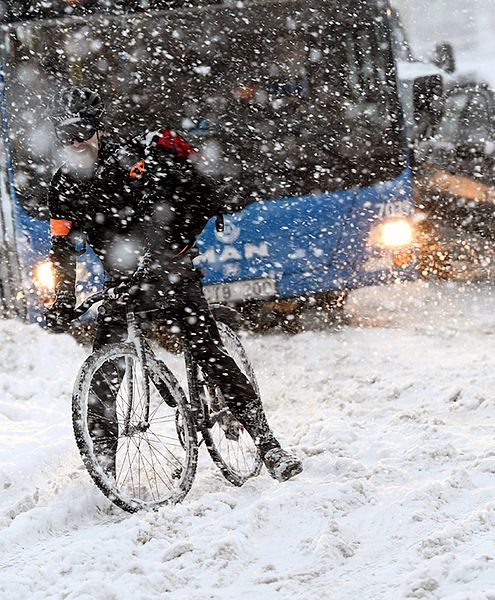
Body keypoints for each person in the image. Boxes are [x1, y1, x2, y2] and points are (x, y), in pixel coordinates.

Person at [44, 85, 303, 482]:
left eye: (82, 130)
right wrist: (63, 299)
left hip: (171, 268)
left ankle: (269, 446)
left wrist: (157, 259)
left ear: (98, 127)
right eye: (66, 134)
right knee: (104, 378)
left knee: (207, 351)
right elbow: (61, 248)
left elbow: (161, 216)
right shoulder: (63, 186)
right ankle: (107, 466)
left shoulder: (132, 164)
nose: (75, 140)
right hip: (122, 281)